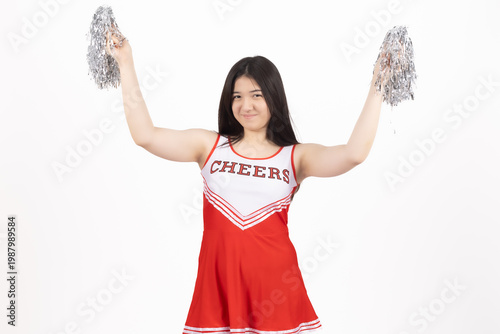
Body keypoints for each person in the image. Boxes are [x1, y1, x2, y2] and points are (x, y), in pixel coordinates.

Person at [106, 31, 385, 333]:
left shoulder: (294, 157)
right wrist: (126, 61)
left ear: (273, 98)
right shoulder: (210, 146)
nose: (245, 105)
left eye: (256, 95)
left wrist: (379, 83)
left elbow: (354, 154)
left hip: (277, 290)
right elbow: (145, 135)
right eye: (237, 97)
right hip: (218, 290)